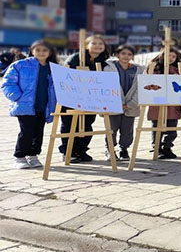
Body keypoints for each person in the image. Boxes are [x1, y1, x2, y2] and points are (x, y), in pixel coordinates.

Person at [2, 40, 58, 169]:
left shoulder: (53, 68)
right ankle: (19, 156)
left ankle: (33, 155)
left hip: (43, 106)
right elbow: (8, 83)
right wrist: (18, 97)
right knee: (26, 131)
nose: (41, 53)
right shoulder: (20, 65)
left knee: (38, 132)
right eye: (37, 50)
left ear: (50, 53)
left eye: (44, 50)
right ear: (32, 51)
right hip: (25, 106)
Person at [60, 34, 111, 163]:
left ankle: (81, 150)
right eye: (94, 43)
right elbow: (66, 76)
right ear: (86, 45)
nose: (97, 46)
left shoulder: (103, 62)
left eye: (100, 44)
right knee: (70, 125)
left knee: (87, 125)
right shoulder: (75, 59)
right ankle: (68, 152)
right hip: (72, 97)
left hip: (91, 98)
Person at [146, 47, 181, 159]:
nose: (170, 58)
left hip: (173, 103)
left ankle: (167, 147)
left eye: (173, 56)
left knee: (171, 128)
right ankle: (157, 147)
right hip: (157, 102)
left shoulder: (178, 69)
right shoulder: (154, 68)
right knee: (157, 126)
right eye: (168, 56)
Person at [103, 45, 143, 161]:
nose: (126, 56)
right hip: (113, 104)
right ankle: (110, 149)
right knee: (111, 129)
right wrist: (116, 102)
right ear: (117, 55)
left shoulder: (138, 70)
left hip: (131, 106)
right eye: (123, 53)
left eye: (129, 54)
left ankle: (124, 149)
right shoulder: (109, 68)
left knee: (127, 130)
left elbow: (139, 88)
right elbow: (106, 86)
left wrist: (130, 104)